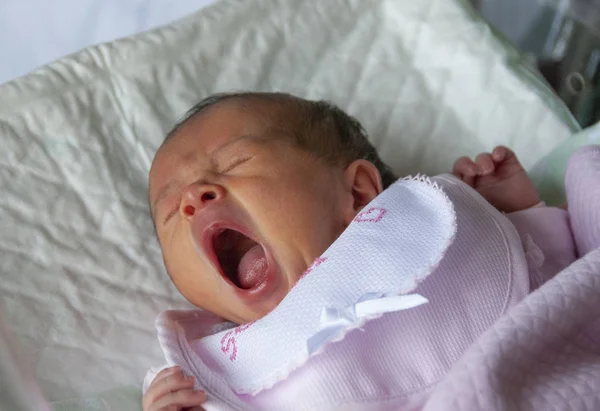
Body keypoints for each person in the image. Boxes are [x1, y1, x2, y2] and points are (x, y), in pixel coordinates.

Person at [143, 92, 598, 411]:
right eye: (170, 212)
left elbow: (560, 287)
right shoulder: (216, 372)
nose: (193, 198)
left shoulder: (437, 227)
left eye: (235, 163)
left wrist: (512, 211)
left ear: (358, 192)